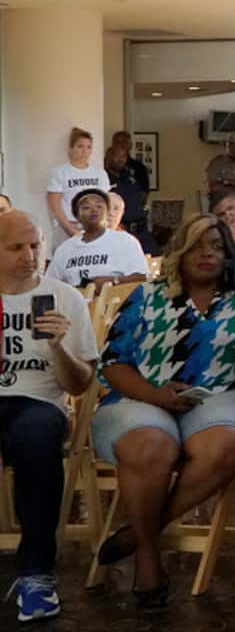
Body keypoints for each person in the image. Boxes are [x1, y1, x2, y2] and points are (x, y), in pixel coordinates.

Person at [91, 213, 235, 606]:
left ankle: (140, 531)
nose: (207, 254)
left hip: (212, 398)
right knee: (151, 446)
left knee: (226, 445)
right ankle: (148, 555)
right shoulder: (145, 296)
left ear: (229, 256)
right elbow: (113, 363)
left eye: (217, 246)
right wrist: (156, 395)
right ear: (179, 251)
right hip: (137, 397)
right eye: (197, 245)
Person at [0, 211, 99, 622]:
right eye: (16, 247)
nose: (30, 256)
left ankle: (37, 575)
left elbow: (79, 386)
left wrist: (59, 348)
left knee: (38, 435)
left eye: (36, 245)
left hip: (38, 403)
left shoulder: (65, 297)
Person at [44, 188, 148, 289]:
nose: (93, 210)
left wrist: (113, 281)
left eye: (99, 206)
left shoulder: (126, 241)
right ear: (77, 216)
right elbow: (50, 284)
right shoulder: (65, 249)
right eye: (86, 207)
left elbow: (142, 277)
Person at [46, 127, 109, 245]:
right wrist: (71, 229)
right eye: (80, 146)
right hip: (68, 226)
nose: (85, 151)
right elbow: (54, 204)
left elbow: (105, 202)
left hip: (94, 226)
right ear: (70, 149)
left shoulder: (100, 174)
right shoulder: (59, 172)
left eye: (88, 147)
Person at [104, 132, 150, 242]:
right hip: (120, 231)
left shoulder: (132, 175)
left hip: (141, 231)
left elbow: (142, 197)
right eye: (116, 156)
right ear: (108, 157)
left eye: (123, 156)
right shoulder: (103, 178)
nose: (120, 159)